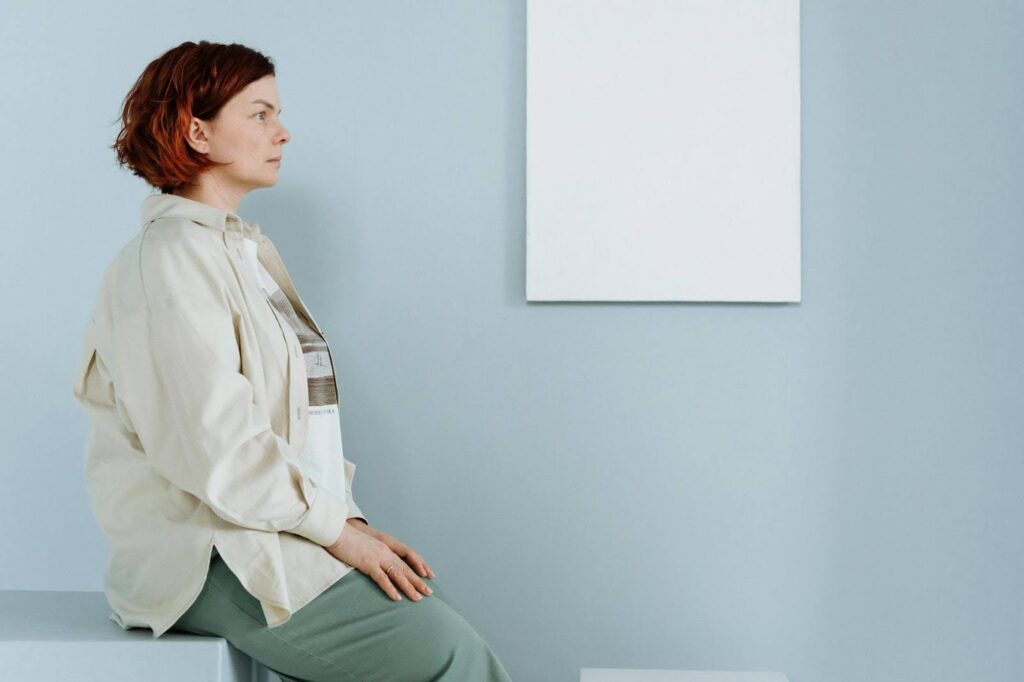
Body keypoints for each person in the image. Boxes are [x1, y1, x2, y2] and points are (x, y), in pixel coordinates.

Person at [72, 39, 513, 681]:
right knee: (448, 653)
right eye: (259, 114)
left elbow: (301, 424)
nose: (282, 132)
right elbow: (215, 448)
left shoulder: (238, 252)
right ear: (197, 131)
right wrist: (337, 531)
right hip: (208, 555)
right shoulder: (168, 261)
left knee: (438, 617)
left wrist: (349, 518)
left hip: (269, 529)